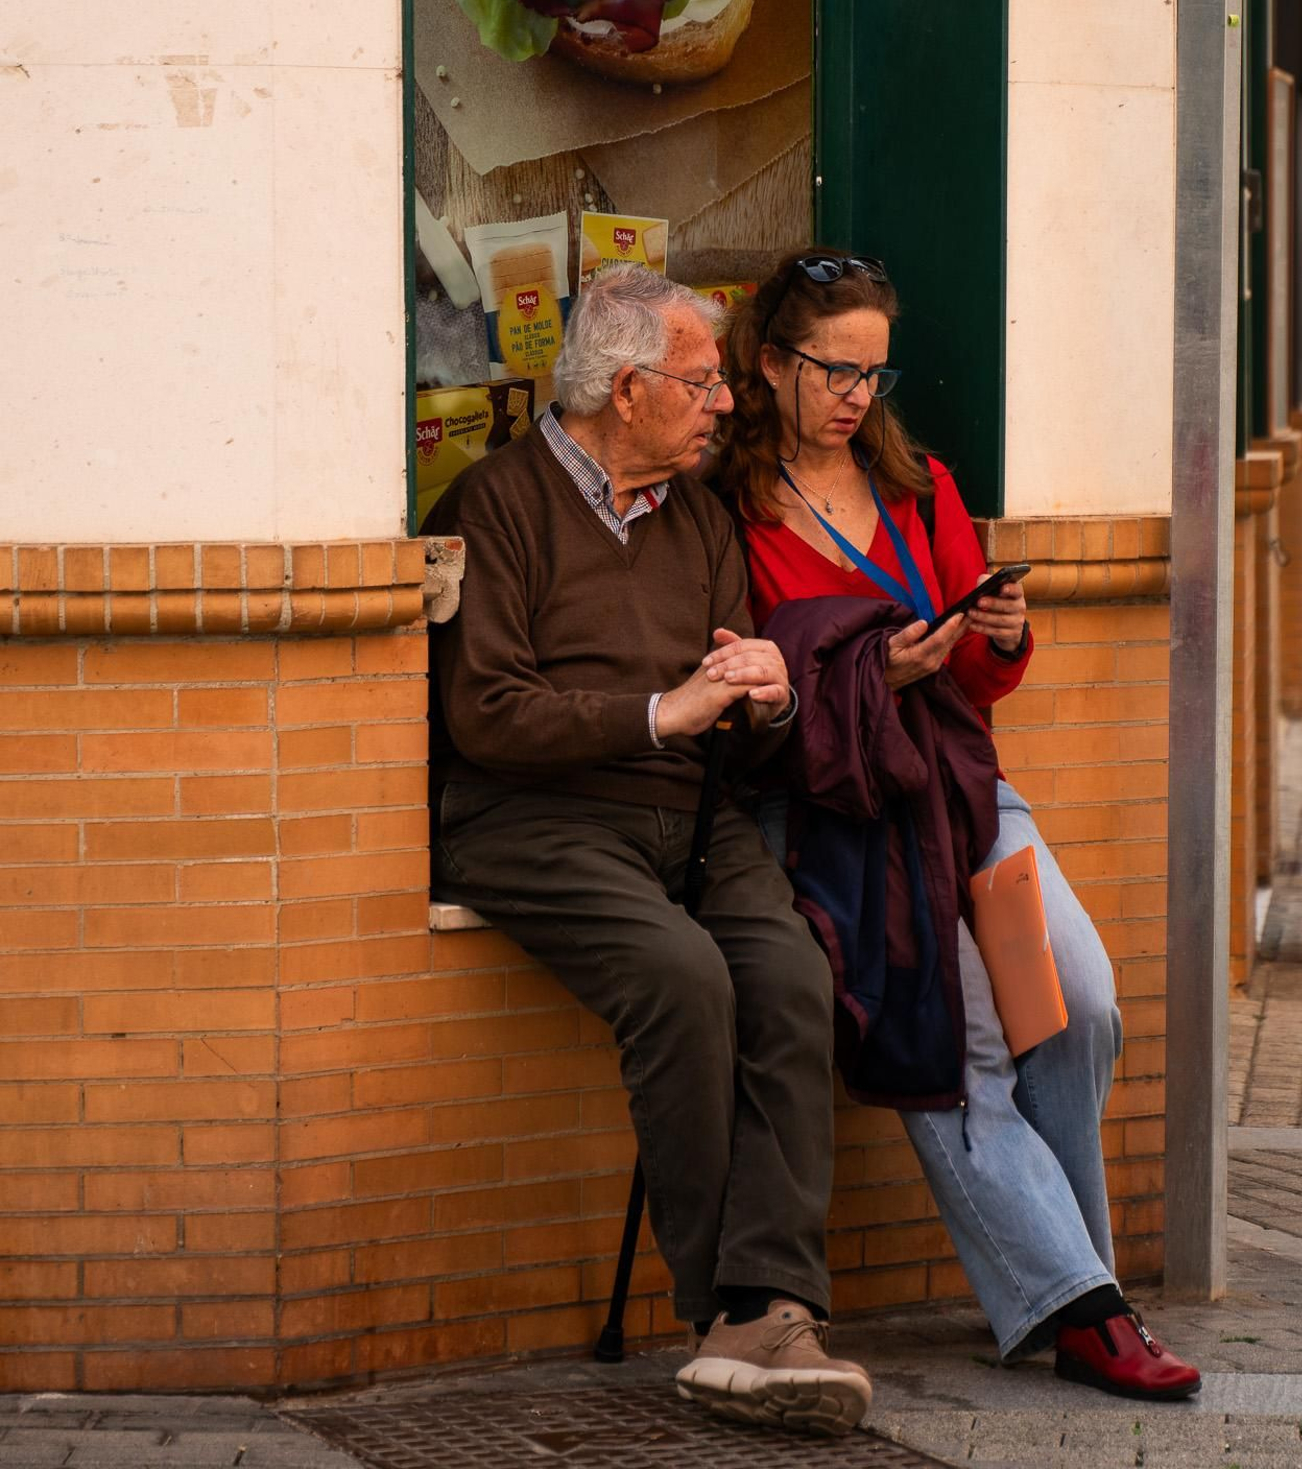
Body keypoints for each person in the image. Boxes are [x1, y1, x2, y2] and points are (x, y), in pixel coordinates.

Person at [720, 249, 1201, 1402]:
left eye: (874, 375)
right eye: (834, 370)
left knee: (1078, 1000)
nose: (855, 397)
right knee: (961, 1038)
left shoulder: (918, 482)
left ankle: (1074, 1286)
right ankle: (1091, 1310)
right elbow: (750, 690)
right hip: (842, 816)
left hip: (958, 787)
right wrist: (869, 670)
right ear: (772, 362)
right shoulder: (727, 512)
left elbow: (984, 683)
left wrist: (995, 628)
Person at [427, 265, 872, 1438]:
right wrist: (654, 715)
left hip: (691, 807)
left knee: (788, 974)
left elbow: (732, 703)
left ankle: (774, 1297)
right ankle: (730, 1310)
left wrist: (764, 692)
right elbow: (485, 712)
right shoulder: (495, 503)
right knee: (681, 977)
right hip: (534, 816)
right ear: (627, 389)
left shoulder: (703, 517)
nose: (723, 401)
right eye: (701, 379)